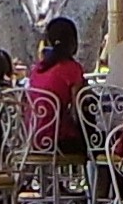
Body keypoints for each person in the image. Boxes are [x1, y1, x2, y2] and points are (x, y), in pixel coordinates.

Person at [22, 16, 85, 148]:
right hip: (56, 140)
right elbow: (78, 109)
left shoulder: (37, 69)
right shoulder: (72, 69)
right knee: (96, 141)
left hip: (31, 138)